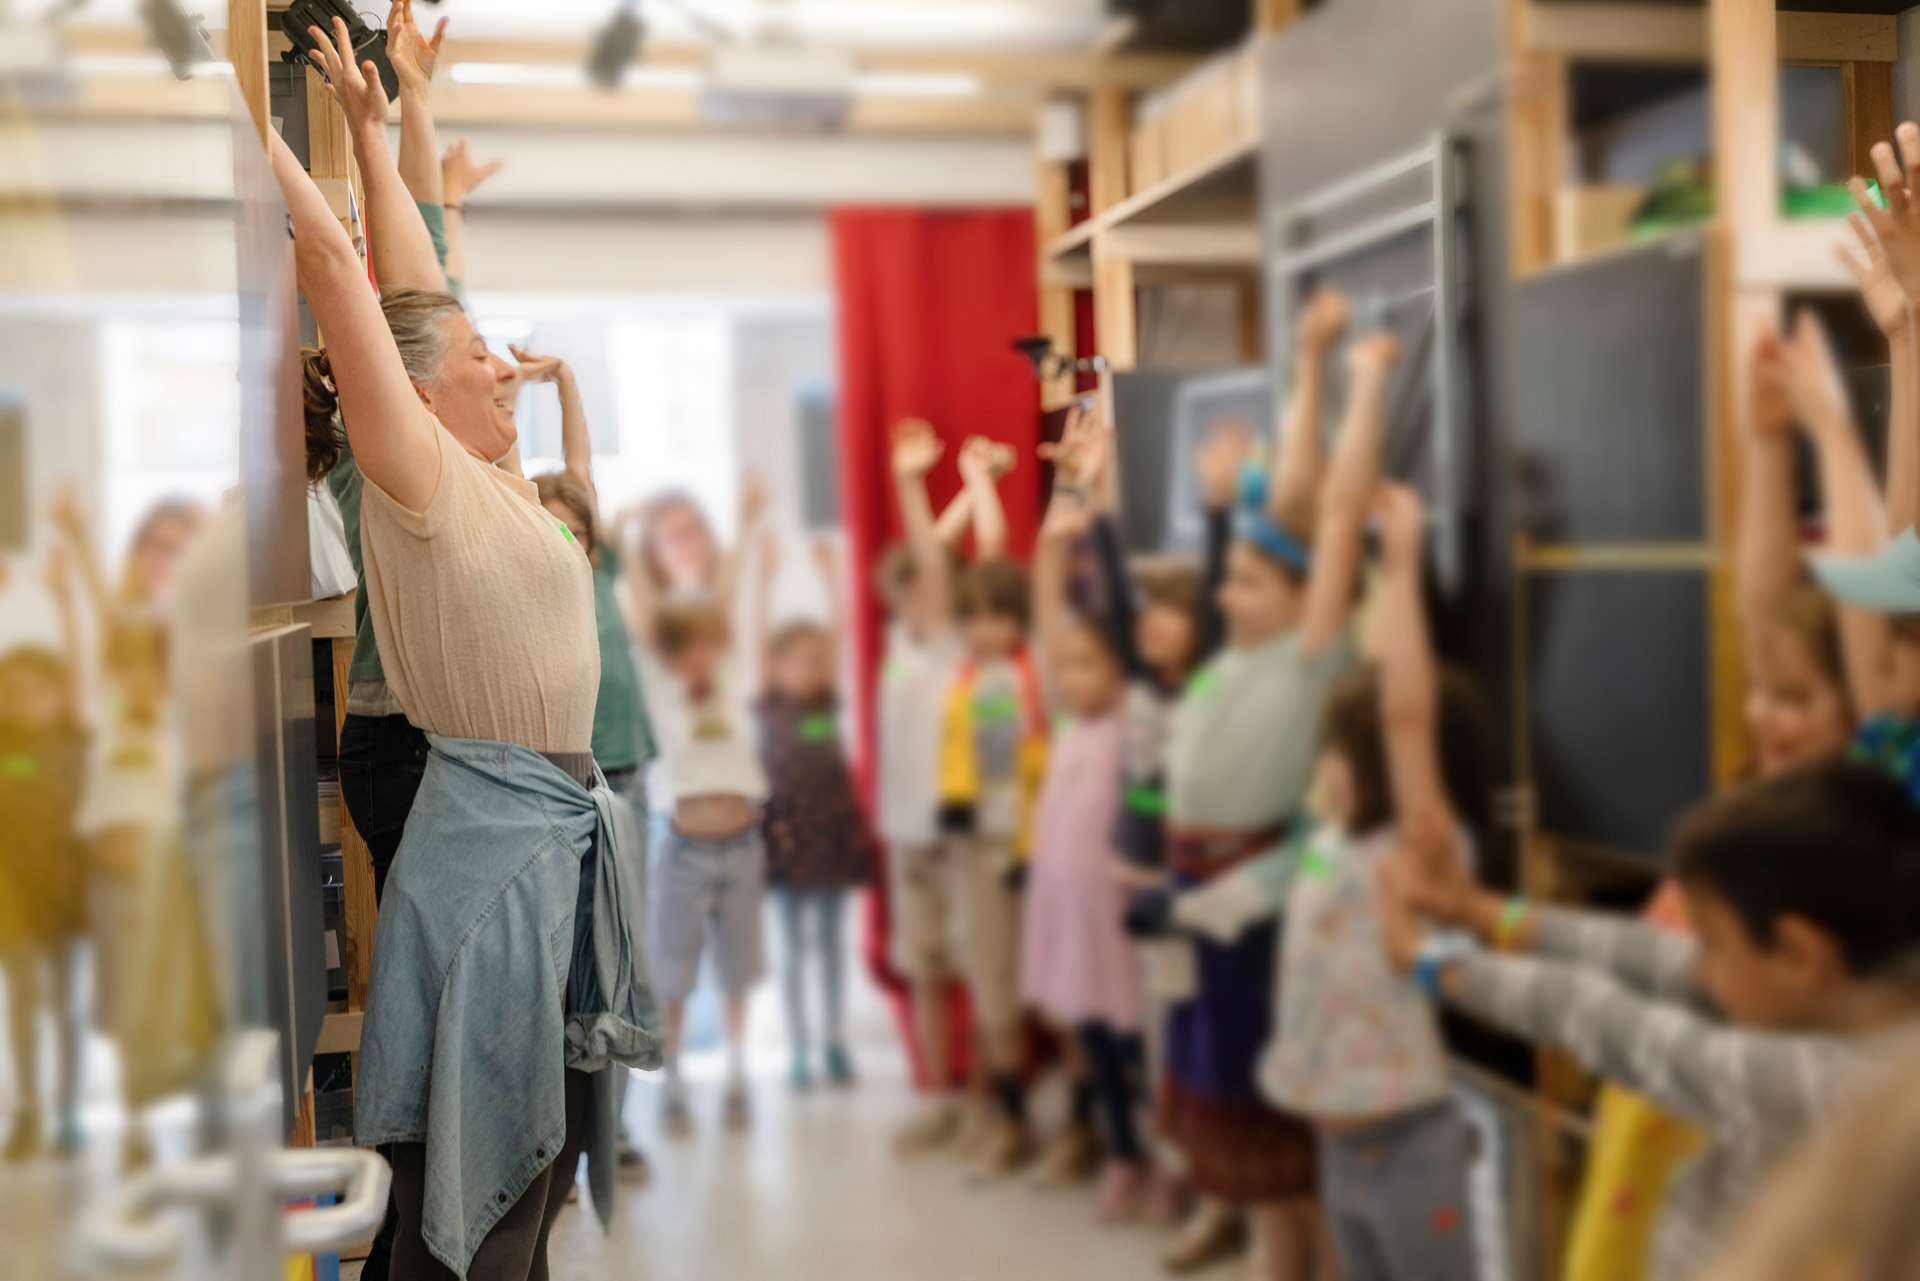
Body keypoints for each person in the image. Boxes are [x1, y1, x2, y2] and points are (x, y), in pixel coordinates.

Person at [275, 21, 658, 1281]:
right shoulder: (424, 476)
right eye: (480, 358)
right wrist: (246, 122)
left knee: (532, 1158)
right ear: (418, 398)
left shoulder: (497, 476)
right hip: (492, 838)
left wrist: (382, 132)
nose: (507, 367)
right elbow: (354, 284)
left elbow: (415, 288)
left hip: (543, 831)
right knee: (486, 1171)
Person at [1389, 756, 1920, 1281]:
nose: (1700, 969)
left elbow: (1594, 1016)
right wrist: (1477, 910)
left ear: (1799, 956)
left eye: (1713, 945)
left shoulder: (1837, 1087)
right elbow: (1655, 956)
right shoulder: (1864, 999)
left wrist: (1428, 964)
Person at [1182, 484, 1490, 1281]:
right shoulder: (1328, 838)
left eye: (1342, 754)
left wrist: (1402, 564)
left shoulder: (1416, 847)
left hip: (1406, 1139)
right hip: (1334, 1139)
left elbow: (1405, 709)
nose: (1326, 767)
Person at [1148, 293, 1391, 1281]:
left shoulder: (1309, 654)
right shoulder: (1229, 660)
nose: (1224, 590)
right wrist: (1309, 356)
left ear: (1306, 600)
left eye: (1249, 581)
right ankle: (1274, 1260)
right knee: (1239, 1127)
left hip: (1254, 905)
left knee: (1282, 1130)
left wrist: (1361, 382)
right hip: (1196, 899)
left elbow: (1330, 515)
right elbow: (1291, 501)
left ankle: (1317, 1264)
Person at [1058, 404, 1244, 1228]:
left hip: (1188, 884)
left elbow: (1216, 593)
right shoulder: (1138, 678)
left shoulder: (1210, 686)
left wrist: (1218, 507)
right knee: (1141, 1027)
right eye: (1148, 616)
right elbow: (1111, 575)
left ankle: (1188, 1172)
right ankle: (1148, 1155)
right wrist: (1098, 495)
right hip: (1130, 878)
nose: (1151, 623)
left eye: (1172, 614)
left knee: (1181, 1036)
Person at [525, 349, 658, 1186]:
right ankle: (569, 1138)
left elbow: (578, 473)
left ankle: (611, 1133)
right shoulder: (538, 589)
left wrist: (567, 383)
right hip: (572, 788)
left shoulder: (598, 569)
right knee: (575, 965)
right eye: (551, 530)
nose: (566, 540)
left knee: (622, 957)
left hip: (628, 778)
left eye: (576, 528)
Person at [1018, 412, 1154, 1218]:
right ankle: (1123, 1153)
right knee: (1093, 1037)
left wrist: (1097, 488)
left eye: (1086, 663)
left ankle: (1161, 1156)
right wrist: (1065, 486)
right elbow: (1045, 589)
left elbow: (1120, 591)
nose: (1070, 675)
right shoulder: (1069, 719)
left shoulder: (1132, 713)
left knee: (1138, 1042)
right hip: (1067, 911)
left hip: (1120, 913)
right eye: (1063, 663)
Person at [881, 419, 1009, 1157]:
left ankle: (987, 1104)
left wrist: (922, 483)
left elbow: (962, 553)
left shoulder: (963, 641)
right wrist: (967, 486)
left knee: (981, 969)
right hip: (911, 833)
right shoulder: (909, 639)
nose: (914, 597)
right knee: (928, 969)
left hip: (966, 834)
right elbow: (927, 560)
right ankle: (941, 1098)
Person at [627, 479, 770, 1135]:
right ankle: (677, 1076)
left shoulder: (732, 670)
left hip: (743, 844)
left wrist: (745, 520)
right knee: (676, 972)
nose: (701, 653)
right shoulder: (663, 676)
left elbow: (731, 593)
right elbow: (649, 609)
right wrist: (633, 539)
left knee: (738, 970)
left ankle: (738, 1069)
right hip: (684, 846)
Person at [934, 436, 1051, 1181]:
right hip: (978, 847)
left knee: (1062, 987)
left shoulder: (1034, 669)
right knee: (992, 982)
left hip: (1034, 849)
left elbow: (995, 555)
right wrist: (972, 482)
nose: (983, 628)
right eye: (971, 617)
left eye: (997, 616)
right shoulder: (965, 671)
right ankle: (1009, 1117)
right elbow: (942, 559)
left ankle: (1085, 1122)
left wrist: (985, 487)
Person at [752, 530, 873, 1091]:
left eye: (815, 661)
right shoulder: (770, 701)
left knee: (829, 944)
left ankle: (834, 1041)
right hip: (786, 837)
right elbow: (758, 638)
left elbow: (841, 635)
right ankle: (799, 1047)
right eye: (795, 661)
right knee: (793, 950)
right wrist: (765, 576)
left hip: (830, 835)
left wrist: (830, 578)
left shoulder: (825, 699)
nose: (807, 669)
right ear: (776, 668)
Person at [0, 548, 89, 1162]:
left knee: (64, 1009)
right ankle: (32, 1110)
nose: (27, 701)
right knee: (25, 1009)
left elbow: (79, 666)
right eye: (14, 692)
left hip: (65, 899)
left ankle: (67, 1111)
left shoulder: (71, 738)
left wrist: (63, 599)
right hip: (17, 901)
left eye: (39, 691)